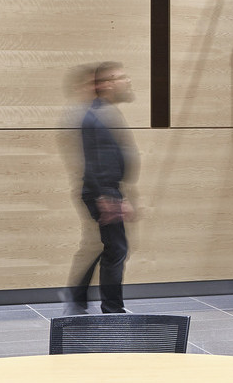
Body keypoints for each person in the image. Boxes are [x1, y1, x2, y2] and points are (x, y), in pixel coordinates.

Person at [69, 61, 137, 314]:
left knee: (109, 246)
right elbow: (95, 162)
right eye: (121, 77)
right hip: (103, 193)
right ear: (106, 84)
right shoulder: (94, 116)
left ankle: (77, 296)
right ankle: (112, 309)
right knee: (116, 248)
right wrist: (107, 197)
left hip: (107, 191)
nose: (126, 81)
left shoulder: (102, 112)